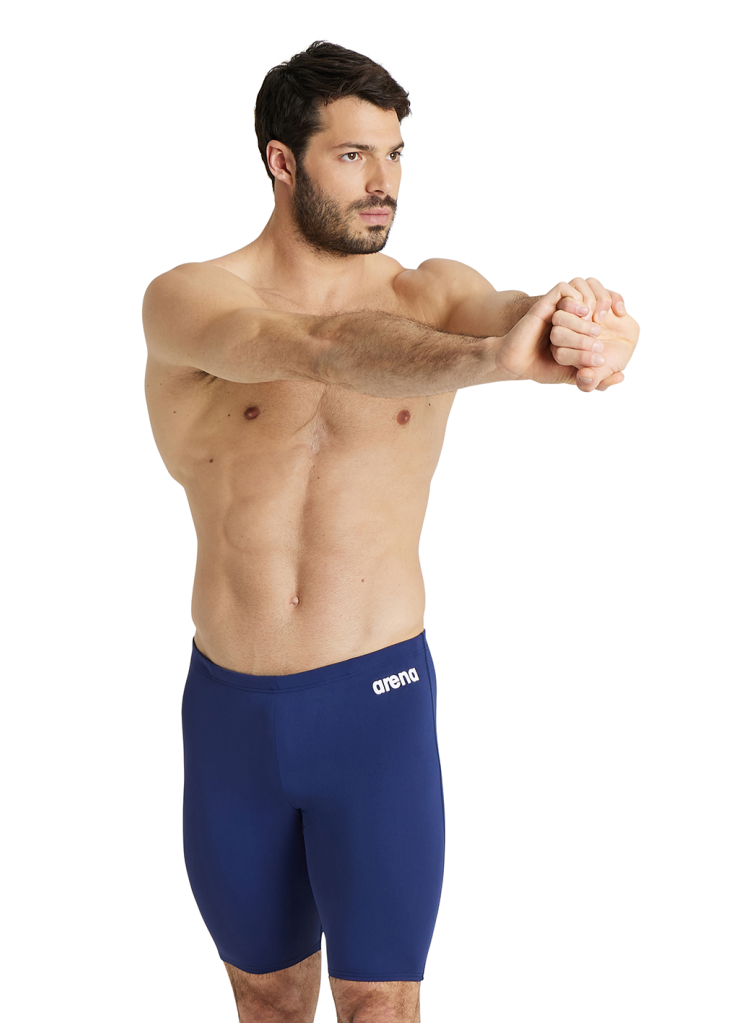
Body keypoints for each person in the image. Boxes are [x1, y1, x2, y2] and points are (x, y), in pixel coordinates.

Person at [142, 39, 639, 1023]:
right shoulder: (188, 298)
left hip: (376, 708)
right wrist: (490, 361)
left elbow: (507, 314)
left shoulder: (435, 296)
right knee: (266, 1002)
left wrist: (590, 328)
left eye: (395, 154)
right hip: (231, 715)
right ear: (282, 161)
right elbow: (309, 346)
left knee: (379, 1002)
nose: (384, 183)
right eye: (352, 155)